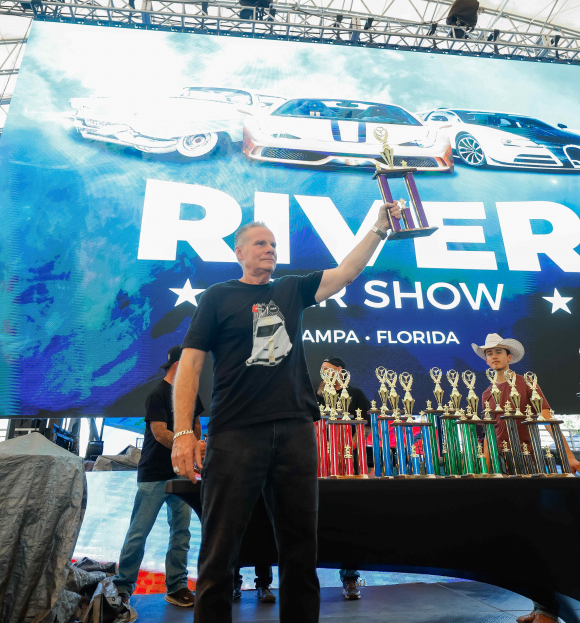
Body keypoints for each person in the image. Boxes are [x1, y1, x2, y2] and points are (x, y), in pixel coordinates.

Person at [171, 203, 401, 623]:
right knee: (221, 548)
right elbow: (190, 364)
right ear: (240, 252)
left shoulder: (292, 289)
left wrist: (379, 229)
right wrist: (184, 431)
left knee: (301, 550)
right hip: (235, 432)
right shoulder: (218, 296)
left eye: (274, 245)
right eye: (261, 243)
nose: (270, 250)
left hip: (295, 431)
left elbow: (346, 273)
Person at [473, 332, 580, 623]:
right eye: (489, 353)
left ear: (509, 356)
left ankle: (548, 611)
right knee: (519, 539)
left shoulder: (527, 383)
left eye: (498, 351)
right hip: (501, 468)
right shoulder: (486, 393)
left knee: (539, 535)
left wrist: (568, 456)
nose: (493, 356)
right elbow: (489, 432)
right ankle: (539, 608)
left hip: (529, 464)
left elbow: (548, 421)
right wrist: (485, 464)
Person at [113, 345, 204, 606]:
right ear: (178, 365)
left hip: (182, 474)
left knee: (182, 534)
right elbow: (160, 432)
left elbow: (196, 423)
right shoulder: (158, 394)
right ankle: (122, 587)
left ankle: (176, 587)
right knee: (138, 533)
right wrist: (188, 445)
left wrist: (194, 448)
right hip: (154, 475)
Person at [316, 356, 371, 601]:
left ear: (340, 370)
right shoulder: (317, 396)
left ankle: (350, 577)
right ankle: (304, 577)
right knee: (318, 519)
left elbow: (367, 425)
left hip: (351, 464)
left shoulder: (355, 393)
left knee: (349, 518)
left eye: (328, 369)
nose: (324, 373)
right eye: (322, 370)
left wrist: (349, 445)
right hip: (321, 464)